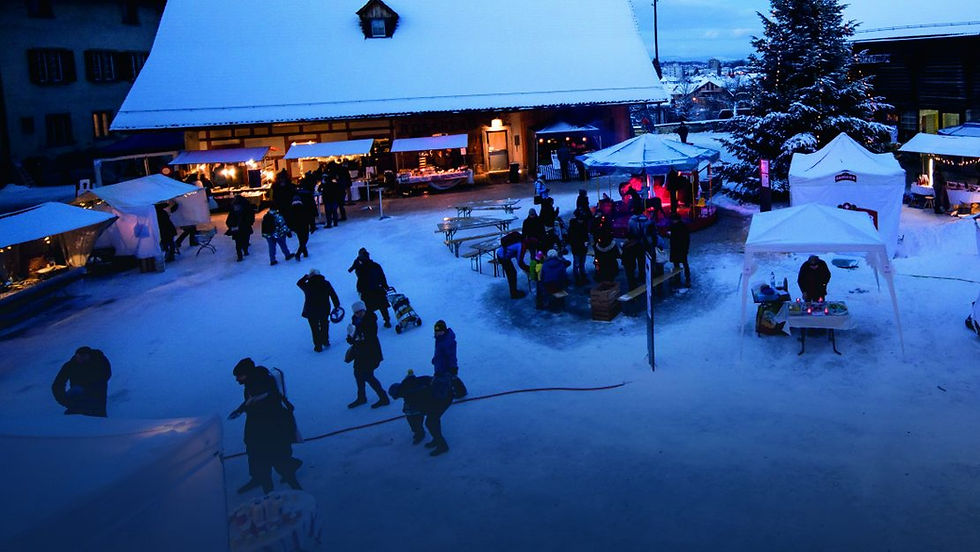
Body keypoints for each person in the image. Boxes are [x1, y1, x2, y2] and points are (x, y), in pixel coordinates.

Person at [228, 358, 301, 494]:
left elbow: (259, 405)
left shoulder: (261, 387)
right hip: (257, 427)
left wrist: (246, 409)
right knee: (255, 456)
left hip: (270, 429)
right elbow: (251, 401)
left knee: (276, 457)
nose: (238, 380)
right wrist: (241, 409)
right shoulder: (255, 383)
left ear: (247, 374)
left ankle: (289, 483)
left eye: (240, 376)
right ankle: (259, 478)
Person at [388, 370, 452, 456]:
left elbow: (423, 406)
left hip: (443, 399)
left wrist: (423, 411)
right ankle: (437, 440)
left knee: (431, 423)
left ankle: (442, 445)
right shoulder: (409, 384)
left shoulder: (410, 395)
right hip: (443, 394)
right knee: (432, 421)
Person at [346, 301, 390, 409]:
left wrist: (357, 336)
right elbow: (354, 336)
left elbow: (370, 335)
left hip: (371, 353)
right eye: (356, 313)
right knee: (358, 374)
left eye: (360, 312)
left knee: (368, 376)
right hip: (359, 353)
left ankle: (383, 397)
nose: (358, 314)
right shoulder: (355, 321)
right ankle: (361, 397)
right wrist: (351, 338)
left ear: (364, 310)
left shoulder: (370, 319)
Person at [51, 346, 111, 417]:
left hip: (97, 397)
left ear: (89, 355)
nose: (80, 359)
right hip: (77, 398)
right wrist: (63, 400)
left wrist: (90, 389)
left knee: (96, 419)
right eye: (79, 357)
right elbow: (58, 384)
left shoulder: (100, 362)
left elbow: (106, 375)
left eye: (83, 356)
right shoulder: (71, 365)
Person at [347, 248, 393, 328]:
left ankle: (371, 323)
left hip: (366, 291)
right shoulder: (375, 265)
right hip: (377, 289)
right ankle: (387, 321)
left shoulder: (359, 266)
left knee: (368, 308)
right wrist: (385, 286)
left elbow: (351, 270)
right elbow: (382, 277)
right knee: (382, 306)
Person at [297, 269, 340, 352]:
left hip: (311, 310)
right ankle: (325, 341)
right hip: (324, 308)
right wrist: (337, 305)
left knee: (314, 328)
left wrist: (306, 277)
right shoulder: (326, 283)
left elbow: (299, 283)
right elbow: (333, 295)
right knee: (324, 324)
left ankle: (318, 346)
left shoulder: (307, 284)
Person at [432, 319, 466, 398]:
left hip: (446, 366)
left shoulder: (447, 341)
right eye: (436, 332)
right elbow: (439, 352)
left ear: (444, 330)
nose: (438, 333)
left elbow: (451, 355)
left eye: (440, 331)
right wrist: (435, 359)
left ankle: (461, 392)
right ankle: (451, 393)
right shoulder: (440, 339)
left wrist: (453, 367)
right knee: (445, 380)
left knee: (450, 379)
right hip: (440, 364)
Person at [622, 203, 650, 289]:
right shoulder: (646, 220)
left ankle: (633, 278)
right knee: (642, 260)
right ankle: (642, 275)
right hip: (643, 243)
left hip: (634, 243)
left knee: (632, 260)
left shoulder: (631, 220)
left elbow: (629, 231)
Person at [496, 231, 527, 299]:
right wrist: (528, 269)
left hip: (501, 254)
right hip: (503, 257)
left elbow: (517, 256)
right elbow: (520, 262)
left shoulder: (519, 241)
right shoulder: (521, 245)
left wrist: (525, 267)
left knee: (512, 273)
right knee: (512, 274)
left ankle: (514, 292)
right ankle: (514, 294)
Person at [225, 196, 255, 261]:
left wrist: (231, 226)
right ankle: (243, 252)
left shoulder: (235, 211)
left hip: (239, 229)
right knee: (243, 241)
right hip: (242, 228)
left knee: (240, 242)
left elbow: (228, 220)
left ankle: (241, 254)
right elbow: (251, 218)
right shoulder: (247, 209)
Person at [567, 208, 590, 286]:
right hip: (577, 248)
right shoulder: (574, 227)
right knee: (577, 264)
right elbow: (571, 238)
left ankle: (582, 277)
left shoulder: (582, 225)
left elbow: (586, 235)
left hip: (581, 248)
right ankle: (577, 278)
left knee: (581, 264)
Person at [667, 213, 691, 287]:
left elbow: (674, 237)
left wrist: (670, 235)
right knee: (683, 263)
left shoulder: (675, 227)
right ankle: (686, 279)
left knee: (678, 263)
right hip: (681, 248)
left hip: (677, 248)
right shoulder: (683, 226)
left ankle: (681, 278)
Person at [287, 196, 312, 260]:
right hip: (304, 225)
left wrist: (291, 227)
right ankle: (298, 253)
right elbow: (309, 217)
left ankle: (305, 252)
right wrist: (312, 225)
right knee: (305, 239)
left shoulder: (291, 209)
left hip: (296, 227)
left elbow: (289, 219)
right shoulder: (304, 207)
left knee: (301, 239)